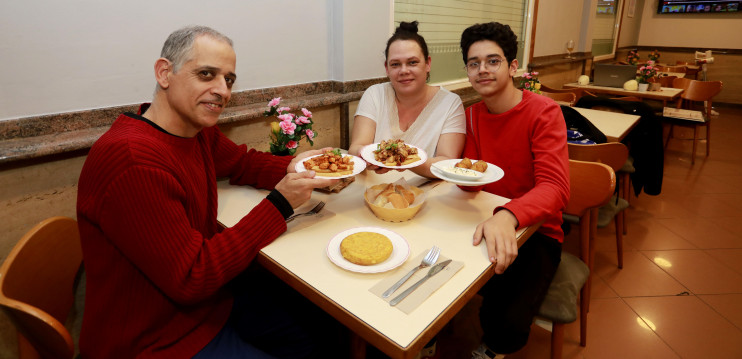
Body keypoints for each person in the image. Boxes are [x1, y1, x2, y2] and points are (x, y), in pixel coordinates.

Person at [76, 26, 337, 358]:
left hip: (209, 305)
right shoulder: (133, 160)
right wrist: (280, 204)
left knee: (320, 328)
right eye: (206, 74)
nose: (222, 91)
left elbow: (242, 163)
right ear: (164, 73)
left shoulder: (193, 132)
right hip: (156, 340)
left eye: (228, 79)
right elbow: (192, 276)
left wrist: (299, 168)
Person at [458, 22, 569, 359]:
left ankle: (494, 348)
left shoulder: (543, 112)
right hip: (482, 217)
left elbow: (556, 187)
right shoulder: (472, 115)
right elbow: (470, 176)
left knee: (504, 314)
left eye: (493, 61)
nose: (483, 70)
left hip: (537, 230)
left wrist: (509, 215)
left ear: (512, 66)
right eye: (474, 63)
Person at [348, 21, 465, 177]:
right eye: (395, 64)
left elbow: (446, 163)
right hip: (372, 188)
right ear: (387, 68)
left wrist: (402, 160)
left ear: (428, 63)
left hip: (423, 193)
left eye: (412, 62)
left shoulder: (450, 103)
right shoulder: (375, 94)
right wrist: (364, 155)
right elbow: (357, 146)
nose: (404, 71)